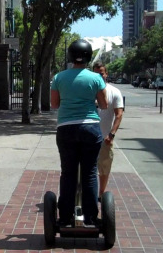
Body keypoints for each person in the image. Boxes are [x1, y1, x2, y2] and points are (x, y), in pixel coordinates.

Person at [50, 39, 108, 226]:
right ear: (88, 57)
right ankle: (91, 218)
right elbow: (105, 104)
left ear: (70, 56)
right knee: (90, 172)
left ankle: (65, 218)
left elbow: (55, 104)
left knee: (68, 173)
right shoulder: (96, 78)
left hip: (66, 128)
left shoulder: (59, 78)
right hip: (90, 128)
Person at [93, 61, 124, 200]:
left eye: (101, 73)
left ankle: (101, 194)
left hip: (104, 137)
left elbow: (119, 114)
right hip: (87, 137)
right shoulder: (88, 90)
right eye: (95, 73)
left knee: (104, 168)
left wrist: (111, 135)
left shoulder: (114, 92)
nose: (99, 76)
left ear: (106, 74)